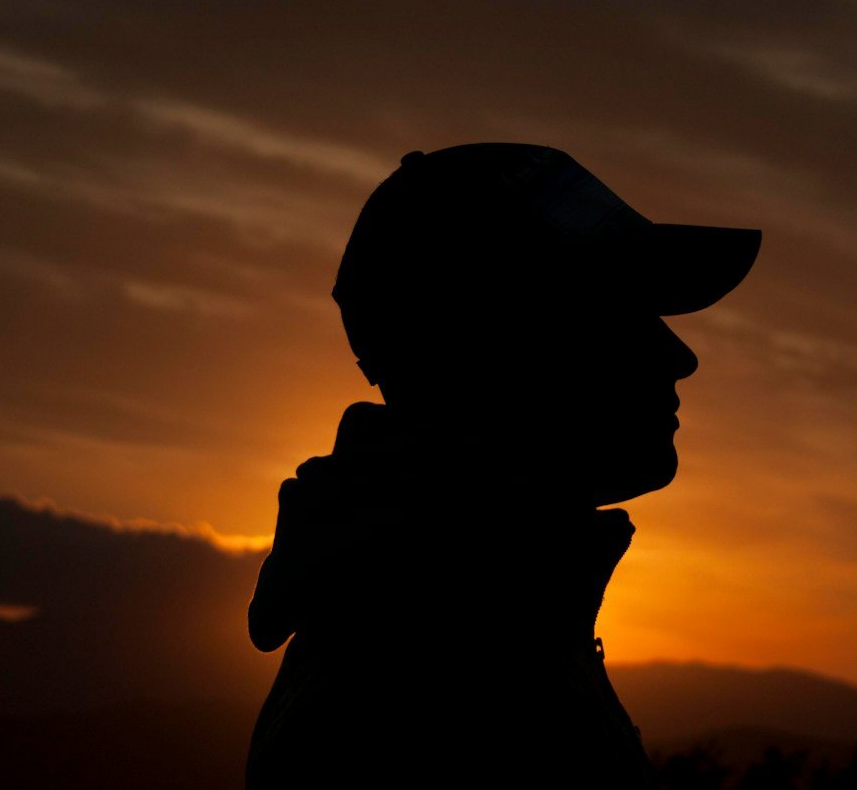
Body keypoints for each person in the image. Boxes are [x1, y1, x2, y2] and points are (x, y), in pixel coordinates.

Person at [244, 143, 760, 789]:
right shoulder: (435, 684)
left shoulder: (486, 616)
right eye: (621, 314)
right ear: (509, 346)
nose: (679, 357)